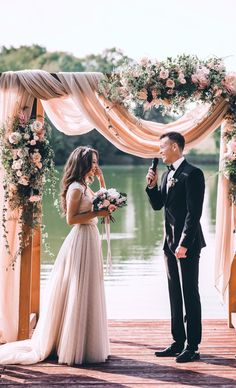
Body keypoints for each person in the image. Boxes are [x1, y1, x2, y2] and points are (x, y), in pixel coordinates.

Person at [0, 146, 114, 365]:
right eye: (92, 162)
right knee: (77, 287)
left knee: (89, 288)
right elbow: (71, 219)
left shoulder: (85, 185)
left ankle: (86, 340)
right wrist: (98, 213)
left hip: (90, 237)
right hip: (80, 239)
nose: (95, 165)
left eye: (96, 161)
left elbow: (100, 201)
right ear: (82, 164)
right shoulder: (75, 188)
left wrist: (102, 182)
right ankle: (71, 343)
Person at [146, 132, 206, 363]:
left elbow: (195, 213)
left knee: (190, 292)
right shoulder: (166, 175)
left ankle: (193, 346)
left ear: (174, 147)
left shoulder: (193, 174)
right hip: (168, 244)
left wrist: (184, 243)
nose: (160, 151)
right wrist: (151, 187)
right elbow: (158, 206)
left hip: (187, 244)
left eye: (162, 147)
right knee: (174, 292)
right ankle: (178, 341)